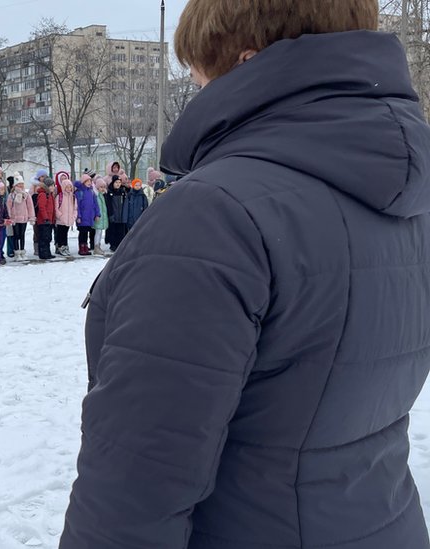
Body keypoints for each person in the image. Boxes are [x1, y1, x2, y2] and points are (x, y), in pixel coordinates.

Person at [60, 1, 430, 548]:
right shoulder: (407, 200)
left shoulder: (212, 213)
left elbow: (138, 482)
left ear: (247, 61)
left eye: (199, 74)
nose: (197, 91)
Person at [6, 177, 35, 259]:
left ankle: (22, 251)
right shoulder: (11, 195)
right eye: (19, 184)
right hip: (14, 218)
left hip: (24, 218)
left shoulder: (26, 195)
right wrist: (9, 217)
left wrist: (31, 217)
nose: (21, 185)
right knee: (16, 235)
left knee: (22, 235)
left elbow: (30, 206)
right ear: (15, 185)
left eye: (22, 184)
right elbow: (8, 207)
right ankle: (17, 252)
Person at [74, 174, 101, 256]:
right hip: (82, 217)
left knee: (86, 232)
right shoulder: (79, 192)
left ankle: (85, 247)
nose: (89, 183)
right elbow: (77, 206)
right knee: (82, 233)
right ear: (83, 182)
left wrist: (97, 214)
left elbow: (96, 204)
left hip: (90, 216)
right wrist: (78, 216)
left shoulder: (91, 191)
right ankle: (81, 248)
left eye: (90, 181)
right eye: (87, 181)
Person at [33, 175, 57, 260]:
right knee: (43, 238)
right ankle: (43, 253)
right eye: (51, 186)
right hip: (44, 221)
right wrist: (46, 218)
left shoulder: (50, 195)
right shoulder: (43, 195)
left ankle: (47, 252)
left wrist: (53, 218)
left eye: (53, 186)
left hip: (49, 220)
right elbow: (42, 207)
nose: (53, 187)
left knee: (48, 238)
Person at [54, 172, 77, 256]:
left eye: (70, 187)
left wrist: (73, 216)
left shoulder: (73, 197)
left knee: (65, 234)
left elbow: (75, 208)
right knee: (60, 234)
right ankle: (60, 247)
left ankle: (65, 246)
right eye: (67, 187)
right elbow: (56, 208)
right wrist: (60, 216)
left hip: (69, 219)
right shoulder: (59, 196)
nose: (69, 188)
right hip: (61, 220)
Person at [105, 175, 128, 252]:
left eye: (119, 182)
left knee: (120, 230)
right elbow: (108, 204)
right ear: (113, 183)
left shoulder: (122, 192)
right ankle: (113, 245)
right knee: (113, 230)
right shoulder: (109, 192)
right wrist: (110, 214)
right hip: (113, 214)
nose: (118, 184)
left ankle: (120, 244)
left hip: (121, 215)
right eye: (116, 182)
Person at [92, 177, 110, 255]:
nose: (103, 189)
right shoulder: (96, 196)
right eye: (101, 187)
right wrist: (96, 215)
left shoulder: (101, 195)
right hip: (98, 217)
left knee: (100, 232)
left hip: (102, 217)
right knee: (98, 232)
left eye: (104, 187)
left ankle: (98, 246)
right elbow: (95, 206)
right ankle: (96, 247)